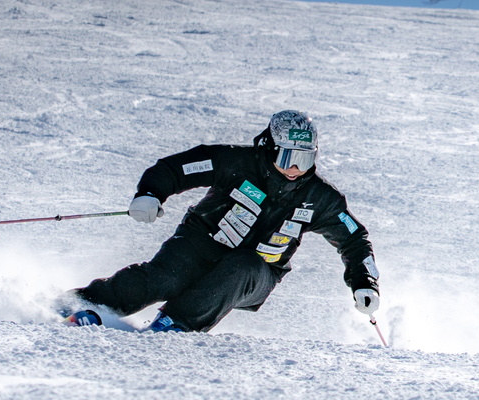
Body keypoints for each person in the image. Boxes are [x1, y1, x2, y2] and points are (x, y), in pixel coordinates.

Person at [57, 110, 380, 332]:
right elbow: (176, 169)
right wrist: (151, 194)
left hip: (257, 272)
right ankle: (81, 303)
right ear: (269, 147)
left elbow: (354, 239)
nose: (295, 168)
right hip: (199, 244)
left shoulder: (321, 198)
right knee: (164, 279)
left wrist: (364, 282)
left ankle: (176, 325)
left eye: (305, 159)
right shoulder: (235, 162)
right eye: (288, 157)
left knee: (242, 267)